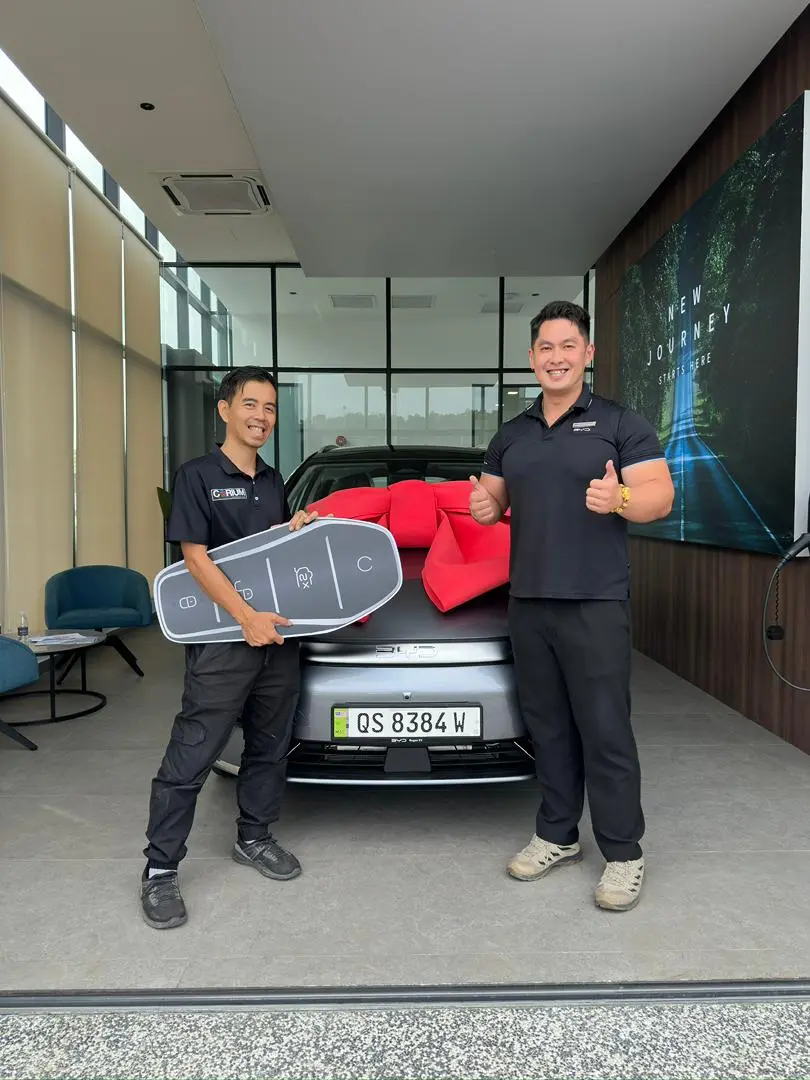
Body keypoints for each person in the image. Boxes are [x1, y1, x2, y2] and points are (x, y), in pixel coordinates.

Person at [470, 301, 674, 912]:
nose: (556, 357)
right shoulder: (512, 433)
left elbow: (660, 497)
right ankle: (558, 834)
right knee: (549, 727)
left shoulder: (620, 423)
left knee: (605, 729)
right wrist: (485, 508)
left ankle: (623, 852)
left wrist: (620, 498)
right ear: (531, 358)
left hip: (594, 601)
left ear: (587, 354)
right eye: (545, 347)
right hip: (530, 603)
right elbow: (492, 501)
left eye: (567, 346)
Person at [140, 366, 318, 930]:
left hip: (276, 636)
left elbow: (271, 555)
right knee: (192, 753)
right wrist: (244, 618)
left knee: (269, 745)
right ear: (224, 409)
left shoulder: (274, 479)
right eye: (250, 404)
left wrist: (296, 529)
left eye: (270, 407)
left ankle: (253, 837)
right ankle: (160, 868)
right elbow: (195, 559)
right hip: (224, 640)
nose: (261, 416)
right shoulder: (197, 476)